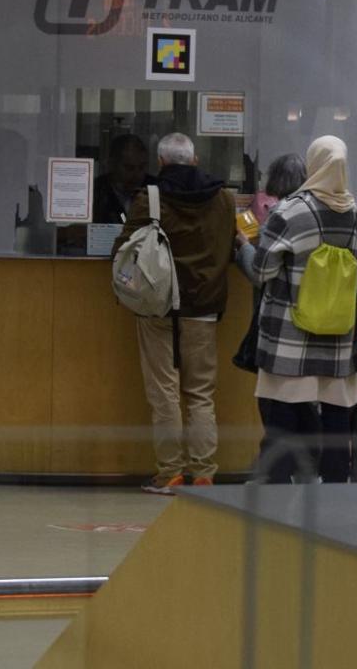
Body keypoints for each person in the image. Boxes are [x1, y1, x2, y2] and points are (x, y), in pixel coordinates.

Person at [113, 132, 236, 495]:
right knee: (200, 393)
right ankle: (203, 474)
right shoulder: (225, 200)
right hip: (204, 307)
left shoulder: (148, 199)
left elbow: (123, 251)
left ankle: (170, 473)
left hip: (156, 307)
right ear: (194, 160)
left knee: (163, 390)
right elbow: (230, 247)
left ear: (162, 163)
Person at [252, 136, 357, 484]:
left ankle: (276, 504)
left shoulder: (289, 212)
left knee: (282, 424)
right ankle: (334, 498)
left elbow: (261, 271)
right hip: (339, 339)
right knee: (336, 426)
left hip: (291, 340)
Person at [232, 153, 307, 473]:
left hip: (275, 326)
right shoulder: (315, 213)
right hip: (311, 324)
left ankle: (274, 465)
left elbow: (260, 271)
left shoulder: (279, 216)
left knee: (273, 398)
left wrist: (242, 248)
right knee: (301, 400)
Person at [93, 133, 155, 224]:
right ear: (112, 165)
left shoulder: (154, 190)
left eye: (142, 167)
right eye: (129, 168)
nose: (137, 175)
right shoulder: (97, 191)